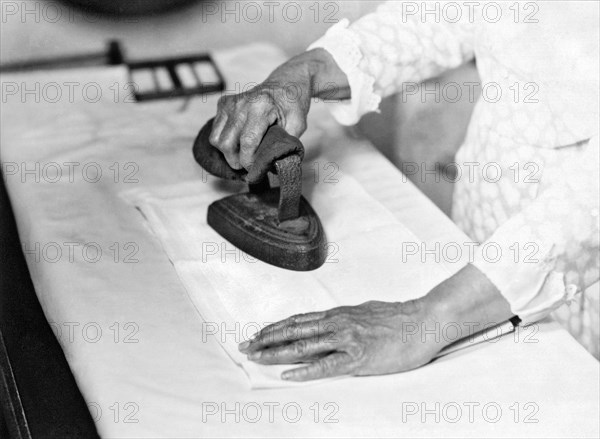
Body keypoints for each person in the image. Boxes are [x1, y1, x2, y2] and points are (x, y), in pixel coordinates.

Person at [207, 2, 599, 381]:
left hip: (575, 258)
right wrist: (306, 72)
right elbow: (450, 13)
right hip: (484, 204)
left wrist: (427, 318)